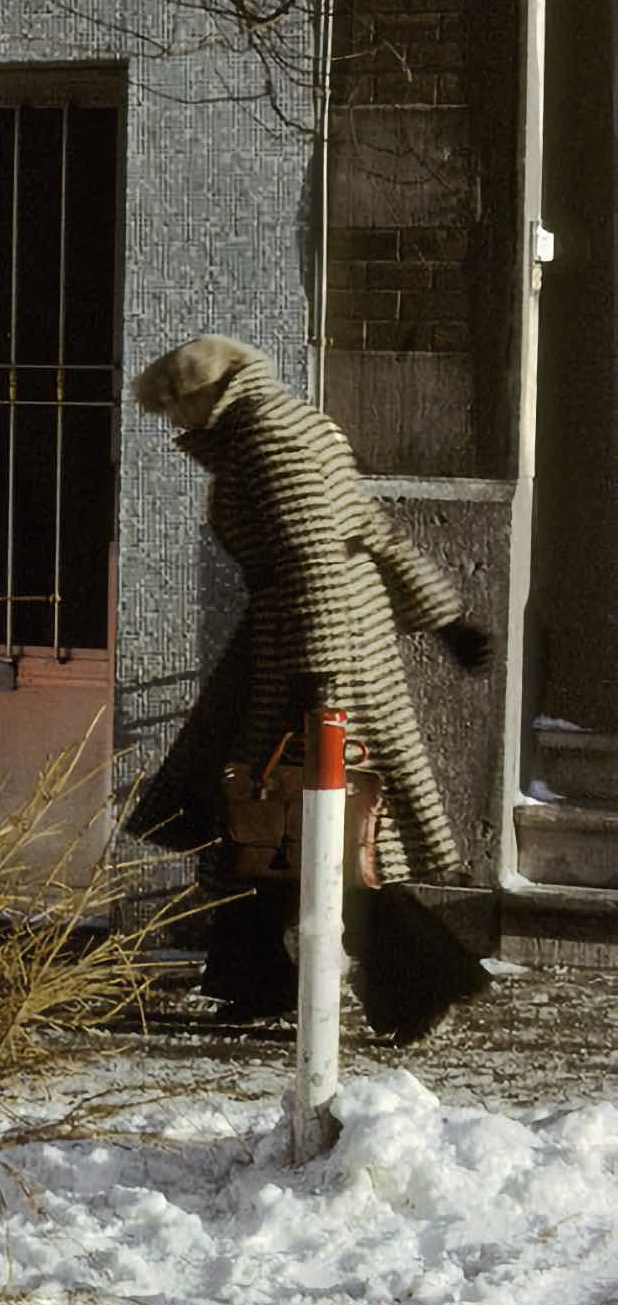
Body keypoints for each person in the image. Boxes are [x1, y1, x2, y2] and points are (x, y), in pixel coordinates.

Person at [124, 335, 493, 1041]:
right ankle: (253, 978)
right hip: (309, 637)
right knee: (270, 819)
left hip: (311, 645)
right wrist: (443, 616)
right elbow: (372, 531)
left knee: (300, 819)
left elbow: (314, 560)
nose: (172, 424)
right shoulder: (291, 422)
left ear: (202, 395)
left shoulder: (267, 438)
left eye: (172, 408)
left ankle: (421, 977)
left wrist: (320, 686)